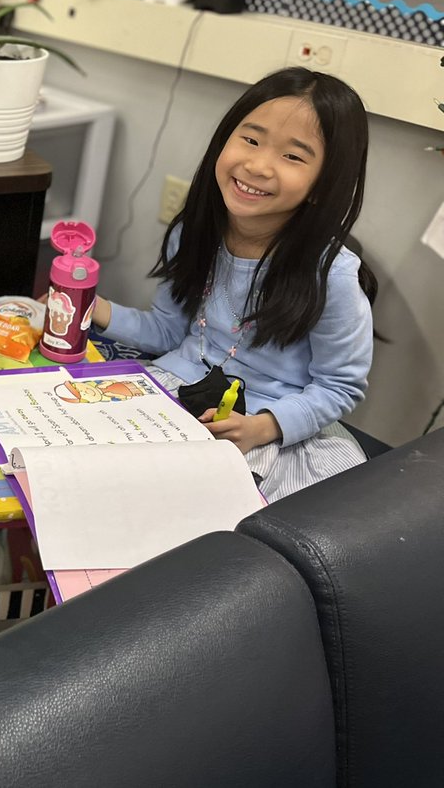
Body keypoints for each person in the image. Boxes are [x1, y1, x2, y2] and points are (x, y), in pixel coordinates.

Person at [87, 67, 375, 502]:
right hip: (174, 390)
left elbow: (340, 386)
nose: (257, 166)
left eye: (293, 156)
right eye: (251, 140)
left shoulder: (330, 275)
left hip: (270, 426)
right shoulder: (195, 232)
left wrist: (264, 427)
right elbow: (169, 331)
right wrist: (93, 307)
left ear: (324, 184)